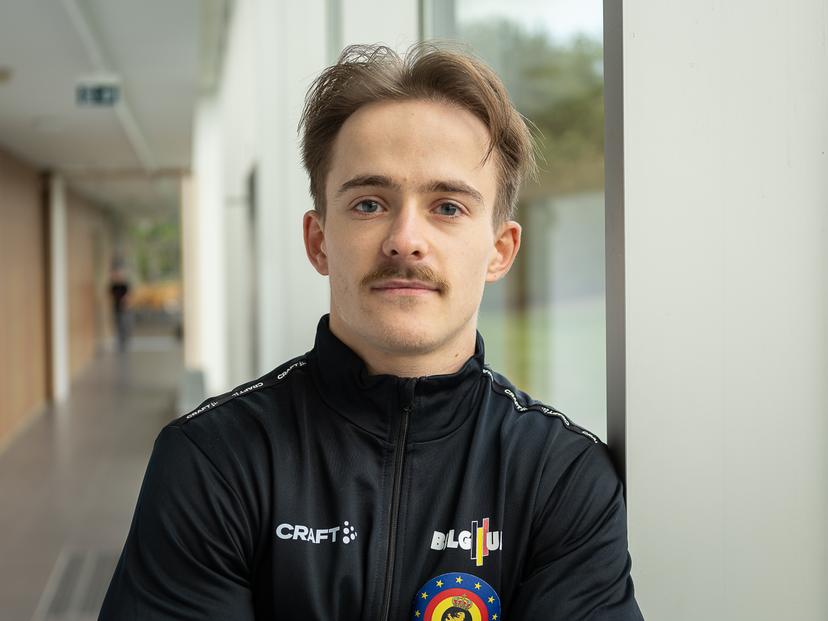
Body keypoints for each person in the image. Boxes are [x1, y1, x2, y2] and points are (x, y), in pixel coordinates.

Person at [100, 43, 644, 620]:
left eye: (449, 207)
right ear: (318, 241)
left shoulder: (561, 477)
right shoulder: (216, 459)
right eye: (368, 203)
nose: (405, 238)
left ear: (500, 250)